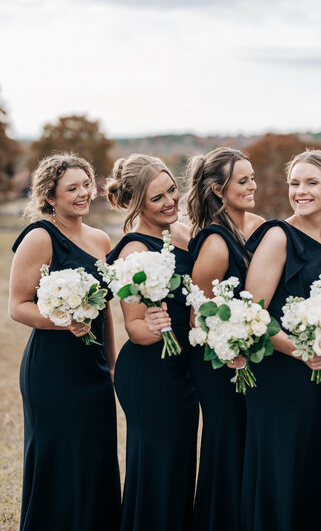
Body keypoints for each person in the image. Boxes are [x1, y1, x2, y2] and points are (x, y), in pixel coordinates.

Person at [9, 153, 121, 531]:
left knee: (95, 455)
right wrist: (61, 321)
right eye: (71, 188)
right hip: (52, 369)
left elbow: (104, 310)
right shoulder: (40, 237)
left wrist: (113, 363)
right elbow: (17, 307)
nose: (83, 193)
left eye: (86, 184)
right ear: (51, 197)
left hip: (93, 367)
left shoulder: (101, 239)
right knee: (59, 457)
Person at [242, 149, 321, 531]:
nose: (300, 191)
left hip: (318, 380)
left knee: (310, 470)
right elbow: (253, 312)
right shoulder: (278, 236)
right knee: (279, 471)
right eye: (294, 183)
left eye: (311, 182)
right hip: (279, 374)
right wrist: (300, 351)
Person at [106, 154, 199, 531]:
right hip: (150, 371)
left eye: (172, 191)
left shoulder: (182, 232)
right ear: (138, 203)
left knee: (179, 463)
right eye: (157, 198)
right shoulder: (134, 250)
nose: (170, 202)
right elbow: (133, 327)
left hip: (182, 367)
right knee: (157, 465)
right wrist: (156, 326)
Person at [186, 147, 264, 531]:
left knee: (249, 446)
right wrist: (231, 348)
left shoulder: (258, 225)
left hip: (252, 359)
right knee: (227, 445)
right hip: (219, 365)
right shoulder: (215, 242)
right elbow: (198, 315)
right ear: (218, 190)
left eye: (252, 178)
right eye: (243, 181)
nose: (253, 186)